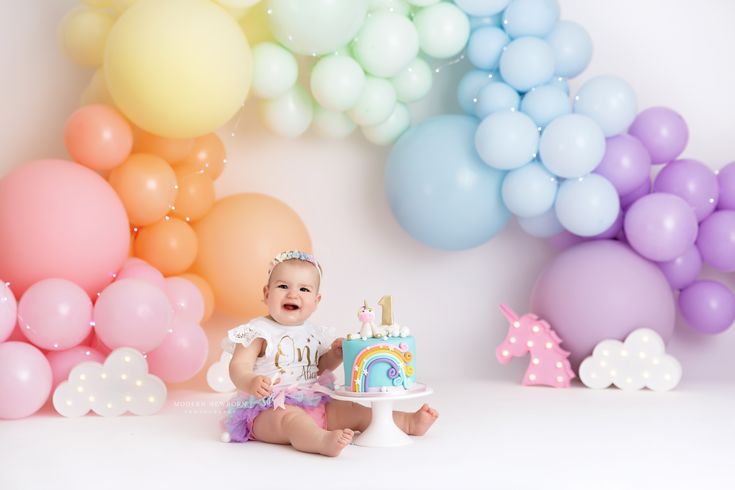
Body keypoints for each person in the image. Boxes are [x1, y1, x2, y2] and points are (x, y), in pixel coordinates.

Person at [223, 250, 438, 457]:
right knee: (291, 420)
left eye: (304, 290)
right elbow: (238, 367)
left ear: (316, 301)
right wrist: (251, 382)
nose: (293, 294)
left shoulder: (314, 333)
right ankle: (320, 441)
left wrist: (335, 356)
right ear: (267, 293)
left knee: (353, 410)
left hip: (313, 402)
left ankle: (407, 422)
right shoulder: (258, 331)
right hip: (267, 410)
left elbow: (318, 368)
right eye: (283, 286)